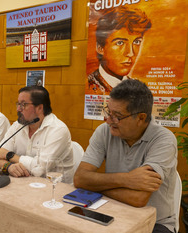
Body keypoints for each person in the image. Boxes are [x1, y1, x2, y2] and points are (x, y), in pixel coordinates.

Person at [74, 79, 177, 233]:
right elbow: (80, 178)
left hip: (155, 223)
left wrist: (96, 187)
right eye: (108, 111)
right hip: (111, 212)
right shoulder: (104, 131)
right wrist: (127, 179)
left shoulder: (164, 140)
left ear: (141, 118)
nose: (108, 120)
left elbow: (138, 199)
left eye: (117, 116)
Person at [0, 86, 74, 184]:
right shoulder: (18, 126)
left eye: (23, 105)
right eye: (18, 104)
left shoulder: (58, 130)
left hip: (55, 189)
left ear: (39, 108)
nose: (18, 109)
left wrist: (9, 155)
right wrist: (8, 166)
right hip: (24, 184)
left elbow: (39, 170)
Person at [87, 6, 152, 94]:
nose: (130, 53)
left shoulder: (138, 88)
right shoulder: (88, 87)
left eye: (136, 42)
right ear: (100, 48)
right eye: (120, 43)